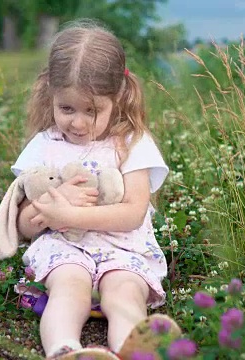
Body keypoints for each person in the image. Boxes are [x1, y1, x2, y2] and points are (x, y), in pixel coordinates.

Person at [9, 20, 180, 359]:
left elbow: (132, 213)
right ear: (51, 94)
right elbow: (24, 225)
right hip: (66, 250)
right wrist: (47, 209)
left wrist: (72, 214)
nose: (78, 122)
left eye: (92, 111)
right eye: (66, 108)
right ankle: (63, 349)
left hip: (123, 250)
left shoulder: (131, 144)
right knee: (69, 289)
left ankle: (133, 350)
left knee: (124, 293)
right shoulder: (45, 145)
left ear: (117, 97)